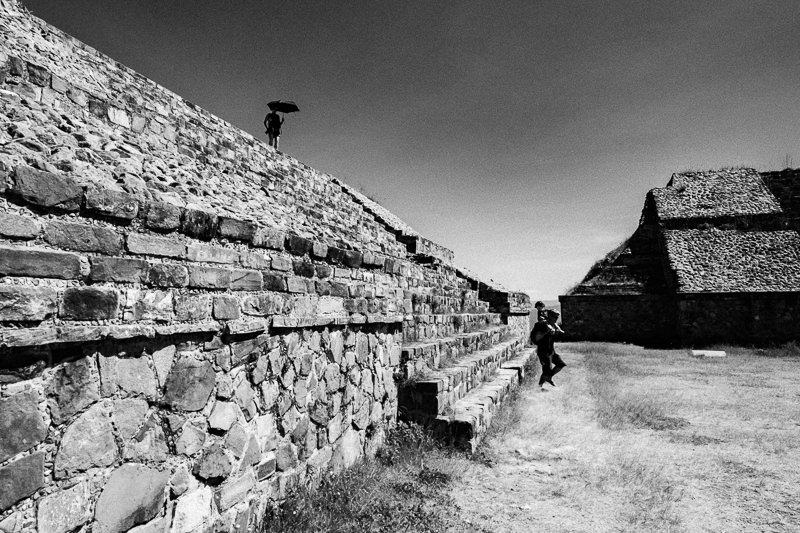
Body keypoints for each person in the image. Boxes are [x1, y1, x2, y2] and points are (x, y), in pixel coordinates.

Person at [530, 309, 566, 390]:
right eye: (554, 317)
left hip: (551, 350)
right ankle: (539, 386)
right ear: (549, 316)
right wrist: (546, 331)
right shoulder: (542, 325)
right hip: (543, 351)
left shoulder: (552, 324)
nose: (556, 319)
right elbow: (537, 338)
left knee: (560, 364)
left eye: (557, 317)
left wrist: (557, 332)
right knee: (546, 369)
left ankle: (549, 378)